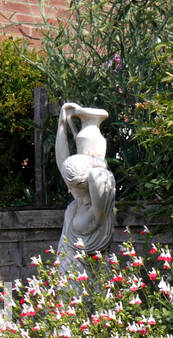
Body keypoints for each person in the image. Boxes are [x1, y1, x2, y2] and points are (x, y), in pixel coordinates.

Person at [55, 102, 116, 274]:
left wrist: (94, 162)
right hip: (68, 274)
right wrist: (62, 124)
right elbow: (62, 161)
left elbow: (98, 177)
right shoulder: (80, 198)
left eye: (72, 184)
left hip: (86, 281)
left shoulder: (100, 208)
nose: (69, 188)